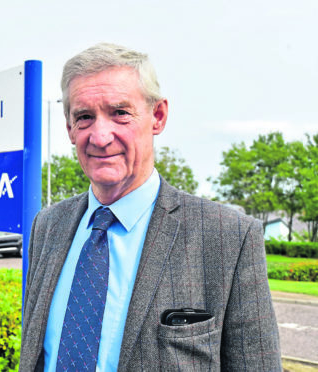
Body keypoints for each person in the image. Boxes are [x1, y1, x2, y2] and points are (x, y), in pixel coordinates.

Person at [20, 43, 281, 371]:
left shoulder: (228, 237)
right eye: (84, 117)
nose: (100, 136)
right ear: (70, 129)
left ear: (157, 116)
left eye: (120, 113)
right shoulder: (47, 225)